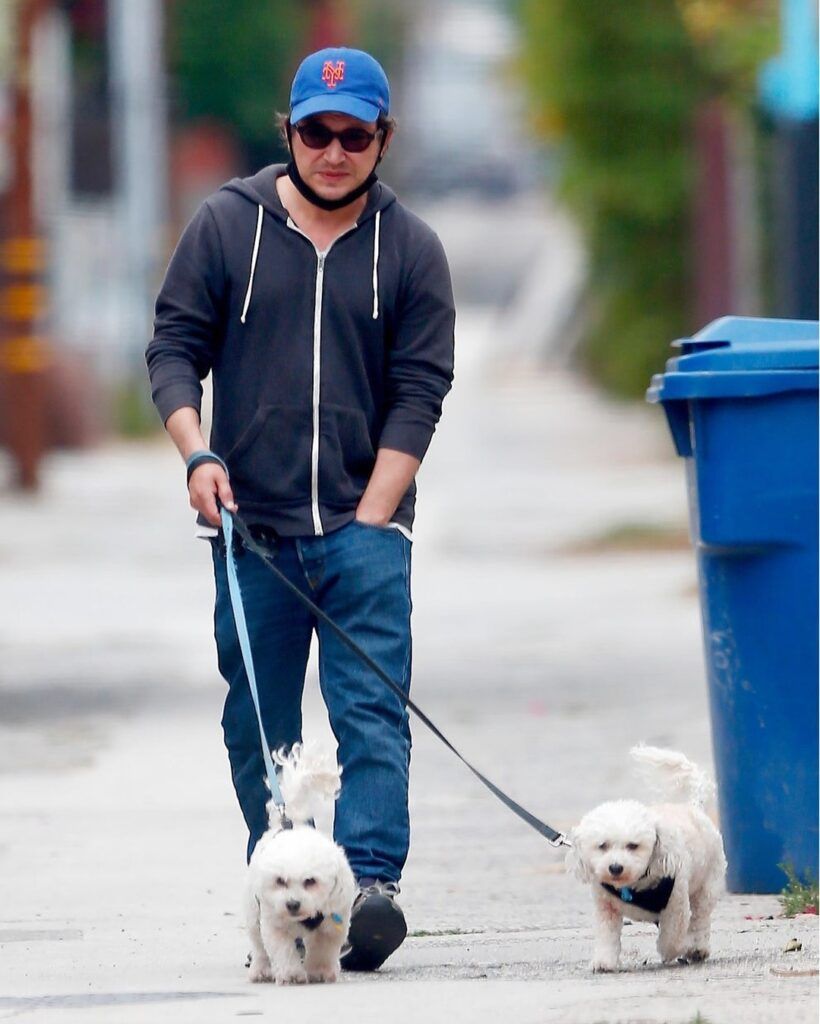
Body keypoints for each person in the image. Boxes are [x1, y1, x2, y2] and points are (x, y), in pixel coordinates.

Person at [146, 47, 455, 972]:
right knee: (260, 725)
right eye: (315, 133)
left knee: (372, 716)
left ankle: (366, 891)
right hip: (253, 533)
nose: (333, 151)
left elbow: (421, 386)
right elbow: (171, 349)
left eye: (353, 135)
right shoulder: (223, 227)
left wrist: (374, 513)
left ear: (381, 139)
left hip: (364, 531)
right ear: (289, 134)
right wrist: (196, 452)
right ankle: (284, 885)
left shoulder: (411, 249)